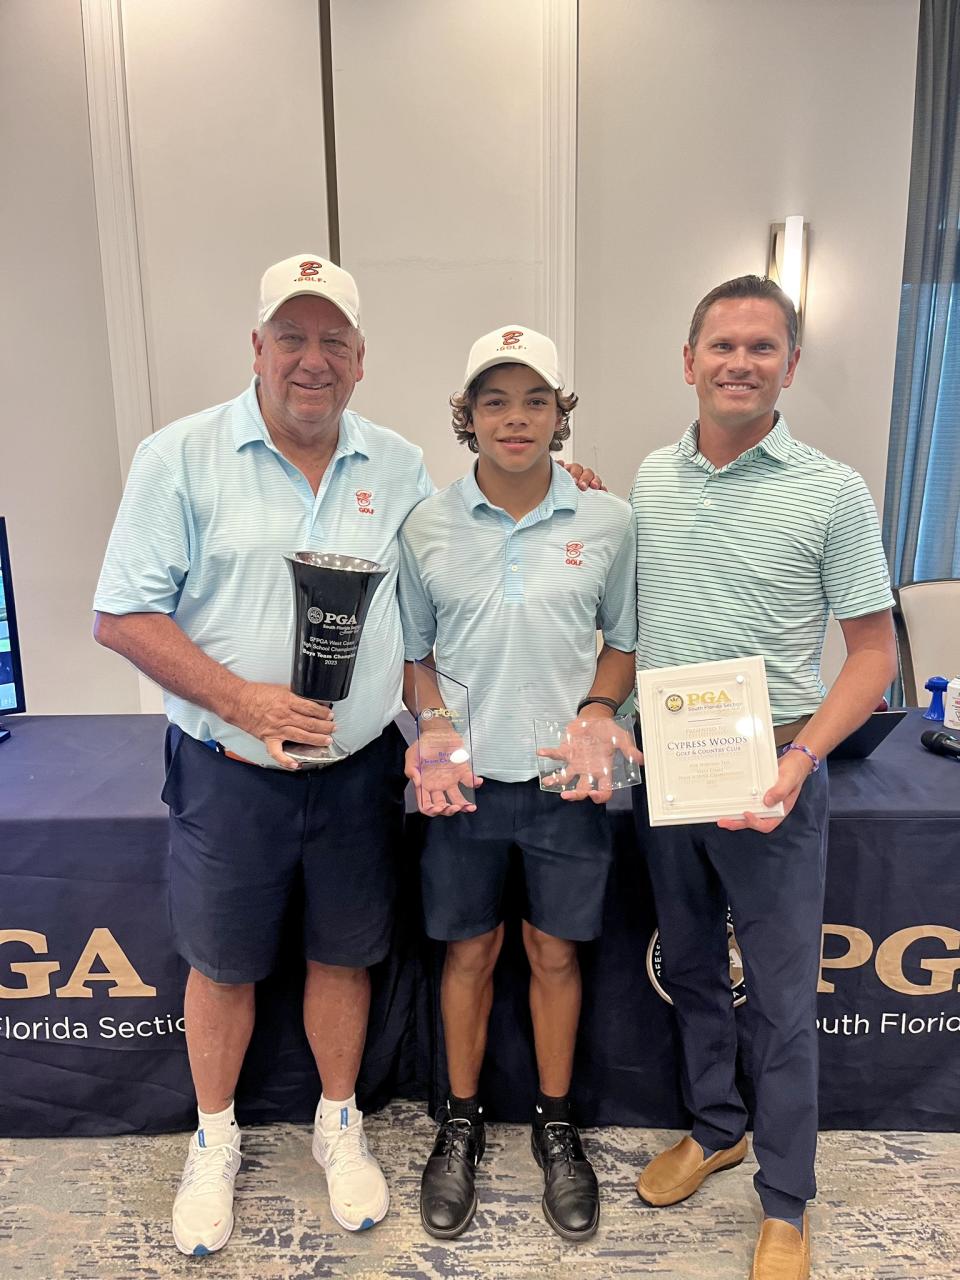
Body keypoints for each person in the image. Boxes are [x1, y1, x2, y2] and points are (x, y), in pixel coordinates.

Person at [93, 258, 600, 1258]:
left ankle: (338, 1118)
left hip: (361, 771)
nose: (311, 360)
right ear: (258, 348)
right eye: (292, 337)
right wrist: (239, 696)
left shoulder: (400, 466)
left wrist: (566, 484)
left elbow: (463, 552)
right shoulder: (179, 456)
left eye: (333, 341)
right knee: (223, 964)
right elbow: (121, 614)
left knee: (344, 953)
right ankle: (214, 1136)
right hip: (230, 771)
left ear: (361, 358)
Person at [629, 276, 897, 1280]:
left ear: (790, 363)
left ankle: (785, 1195)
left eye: (763, 345)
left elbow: (872, 656)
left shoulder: (832, 490)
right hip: (672, 764)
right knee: (692, 965)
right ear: (688, 358)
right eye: (722, 344)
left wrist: (799, 758)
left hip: (775, 770)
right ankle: (716, 1126)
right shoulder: (651, 480)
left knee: (782, 999)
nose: (740, 361)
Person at [397, 326, 638, 1242]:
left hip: (562, 782)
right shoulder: (424, 524)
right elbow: (412, 656)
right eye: (494, 401)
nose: (516, 418)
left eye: (536, 400)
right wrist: (436, 722)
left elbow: (622, 641)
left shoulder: (608, 520)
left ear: (559, 416)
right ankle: (458, 1124)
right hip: (462, 788)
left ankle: (556, 1125)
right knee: (467, 955)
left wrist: (597, 708)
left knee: (554, 955)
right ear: (466, 418)